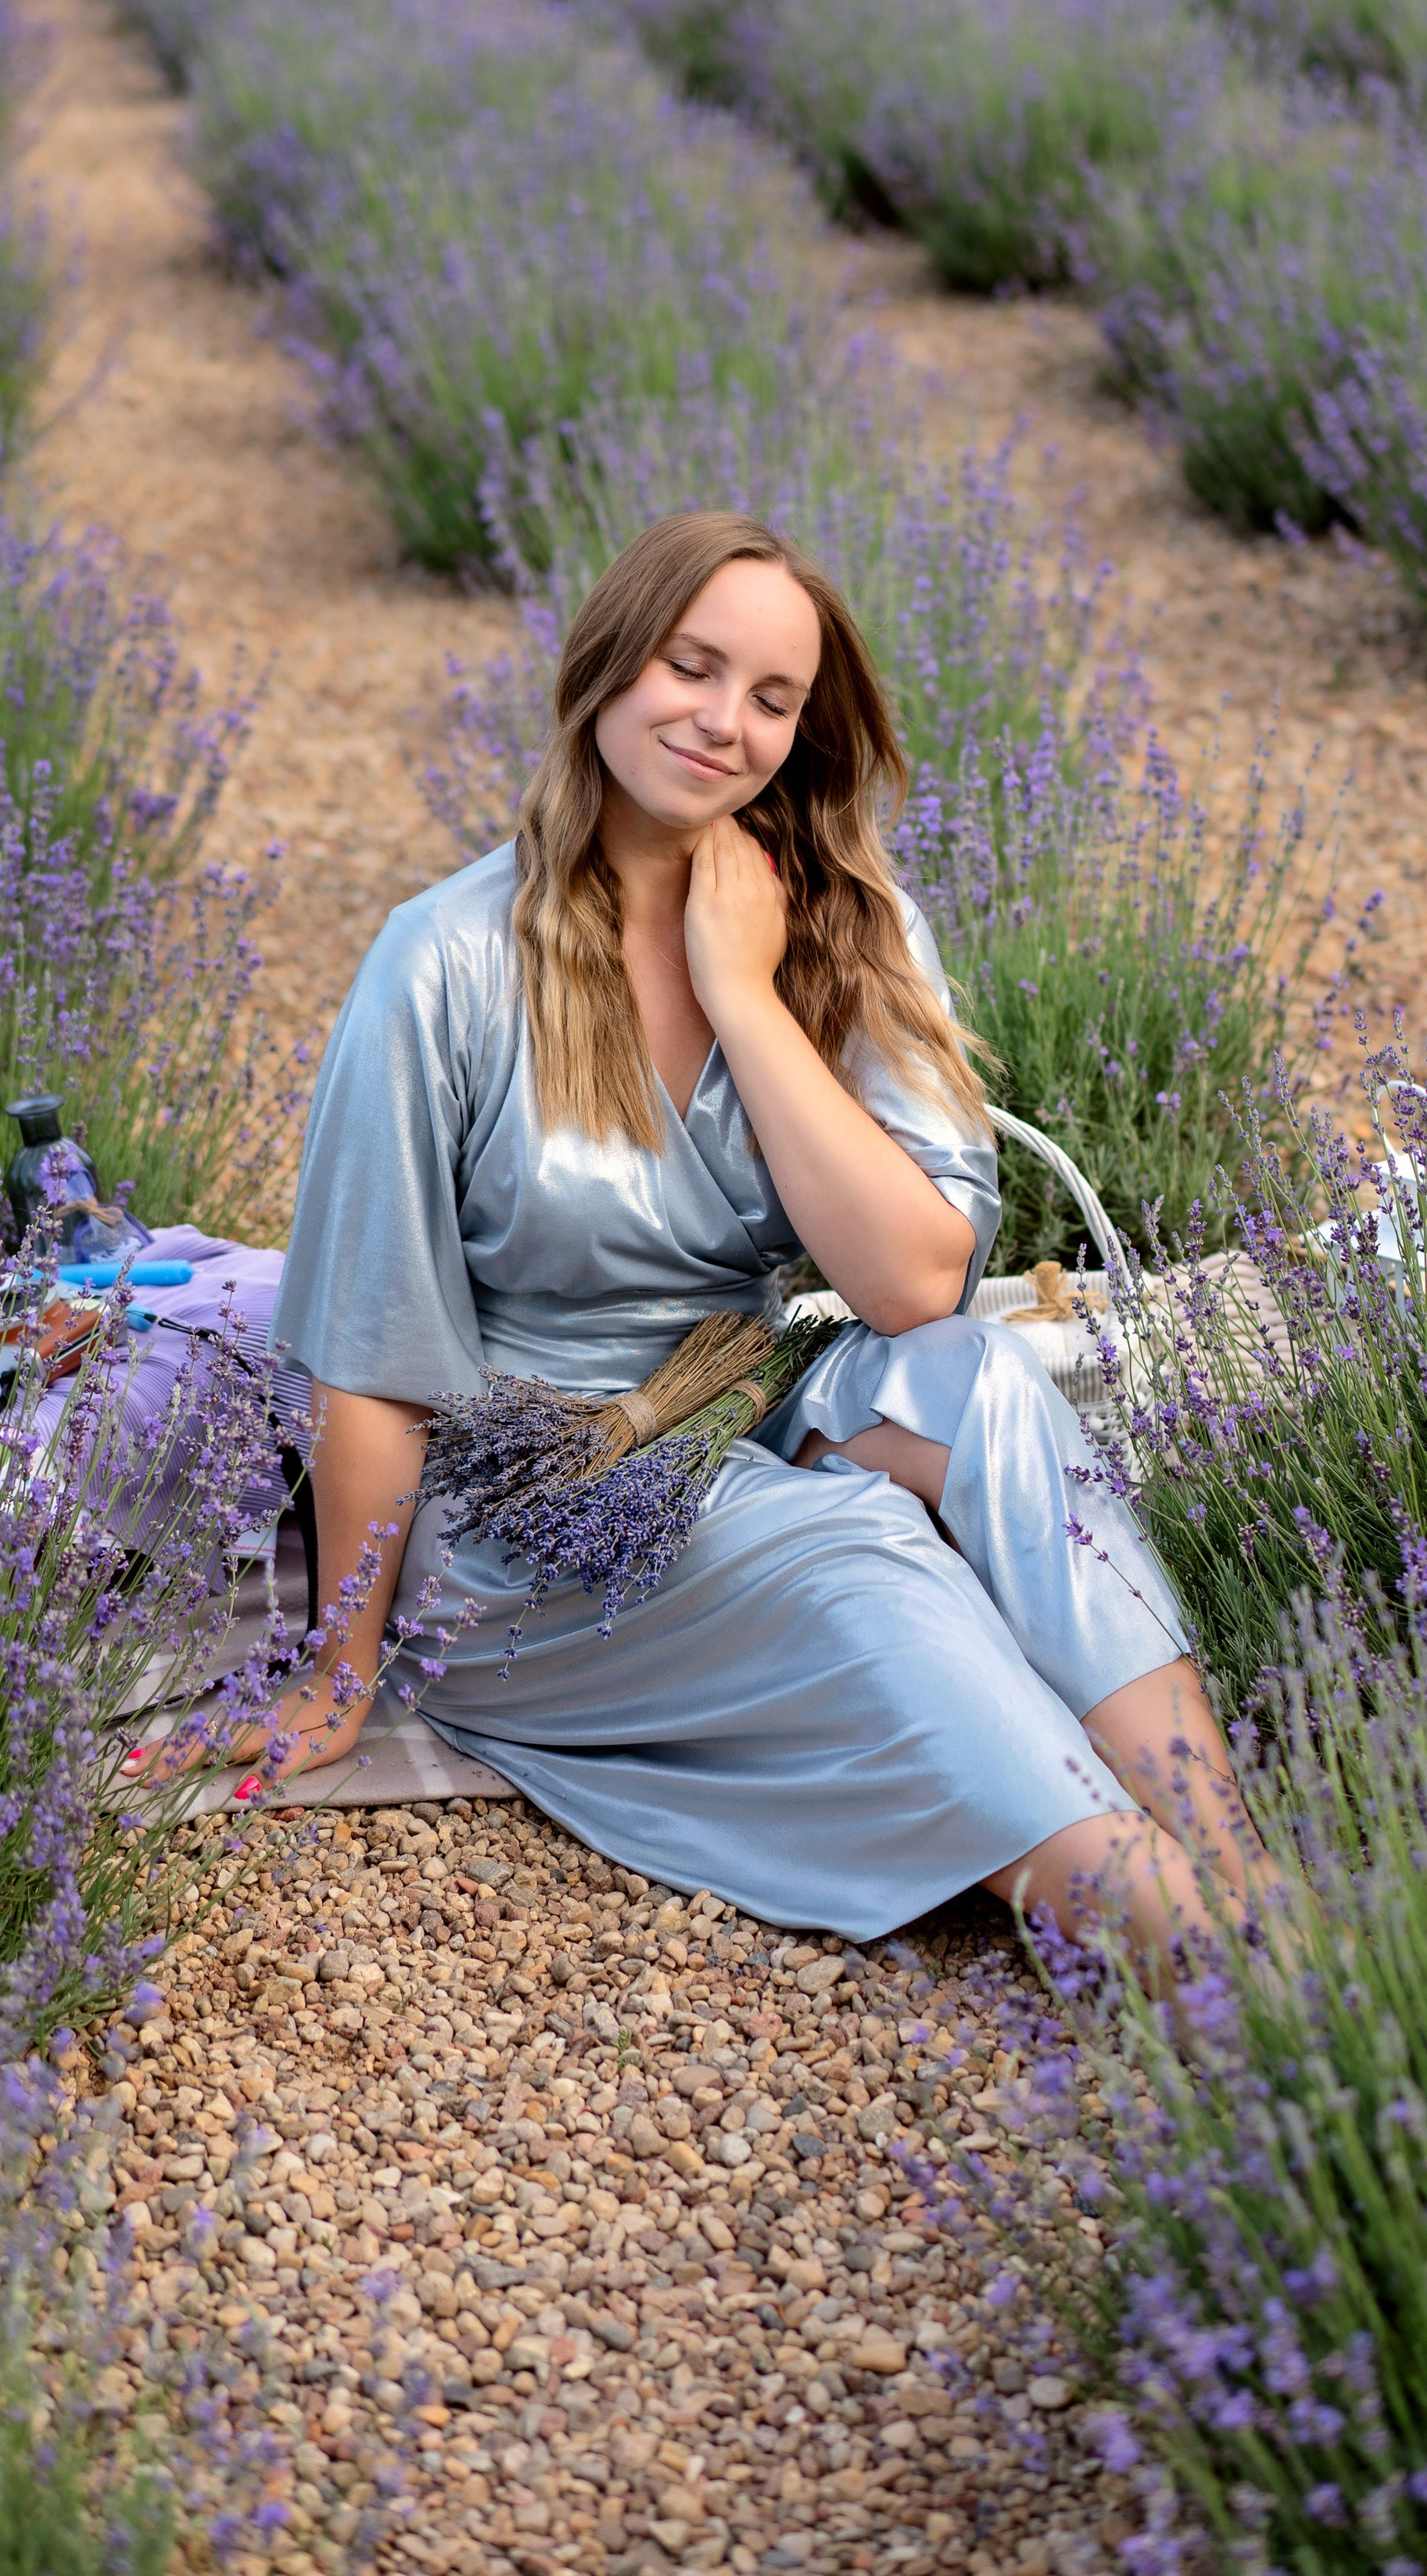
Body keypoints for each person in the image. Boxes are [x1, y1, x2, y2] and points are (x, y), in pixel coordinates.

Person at [143, 511, 1274, 1969]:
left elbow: (917, 1286)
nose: (724, 724)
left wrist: (743, 990)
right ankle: (1177, 1938)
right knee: (863, 1551)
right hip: (531, 1515)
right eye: (693, 667)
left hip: (739, 1403)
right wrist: (346, 1665)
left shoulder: (844, 932)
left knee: (985, 1386)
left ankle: (1238, 1865)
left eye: (774, 699)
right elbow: (372, 1360)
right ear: (611, 665)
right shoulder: (443, 962)